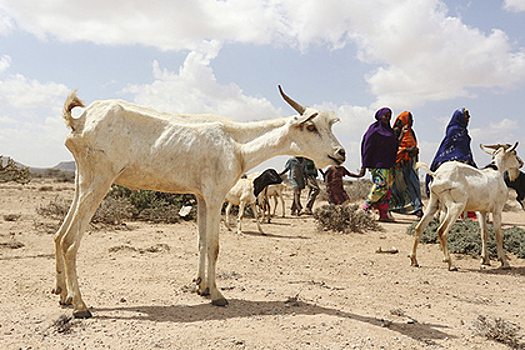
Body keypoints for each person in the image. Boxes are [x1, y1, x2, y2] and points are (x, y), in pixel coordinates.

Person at [426, 107, 477, 219]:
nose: (468, 119)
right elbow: (448, 147)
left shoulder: (465, 132)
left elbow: (466, 149)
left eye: (468, 117)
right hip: (452, 160)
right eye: (466, 116)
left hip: (465, 161)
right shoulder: (453, 131)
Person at [358, 107, 400, 222]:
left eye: (389, 116)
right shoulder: (374, 130)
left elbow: (395, 146)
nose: (387, 118)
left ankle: (383, 214)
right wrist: (364, 165)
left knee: (388, 190)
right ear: (379, 116)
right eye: (385, 115)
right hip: (378, 164)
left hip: (389, 164)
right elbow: (366, 147)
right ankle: (366, 207)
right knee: (381, 186)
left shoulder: (390, 131)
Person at [389, 111, 424, 218]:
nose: (412, 122)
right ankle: (395, 207)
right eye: (410, 120)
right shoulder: (395, 131)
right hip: (399, 165)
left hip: (410, 163)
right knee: (398, 187)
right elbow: (394, 147)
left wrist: (415, 151)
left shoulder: (411, 132)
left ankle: (417, 208)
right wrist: (407, 150)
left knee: (414, 184)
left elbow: (414, 144)